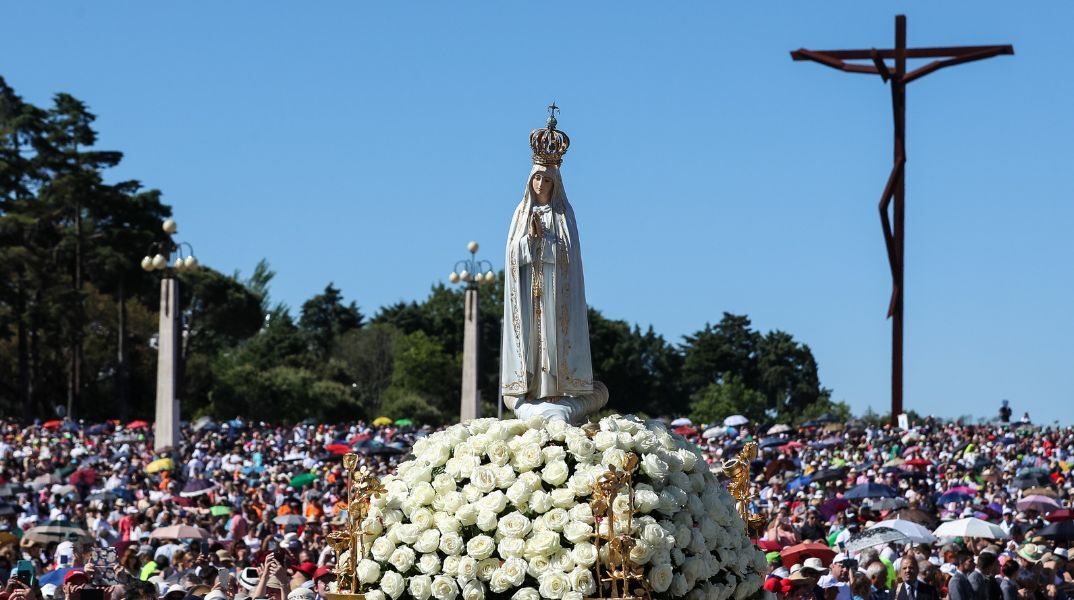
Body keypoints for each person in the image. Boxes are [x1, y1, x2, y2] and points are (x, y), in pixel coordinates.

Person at [501, 108, 607, 424]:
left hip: (554, 291)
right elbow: (511, 255)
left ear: (554, 182)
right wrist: (528, 242)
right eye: (536, 178)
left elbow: (568, 255)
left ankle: (557, 387)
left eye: (546, 179)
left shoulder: (562, 215)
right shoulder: (520, 214)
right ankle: (531, 387)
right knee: (532, 338)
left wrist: (544, 240)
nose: (540, 184)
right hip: (528, 289)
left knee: (553, 336)